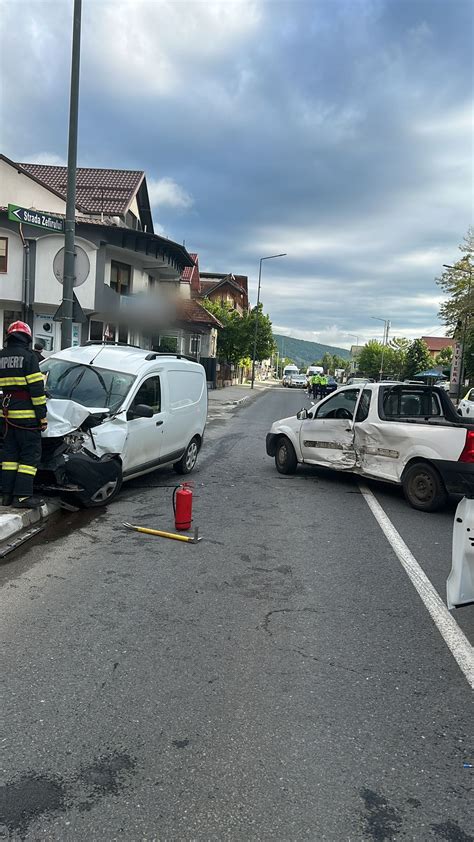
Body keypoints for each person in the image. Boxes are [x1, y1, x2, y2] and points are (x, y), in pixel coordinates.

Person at [0, 321, 47, 508]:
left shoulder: (1, 356)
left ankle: (7, 496)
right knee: (29, 456)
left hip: (5, 416)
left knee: (10, 456)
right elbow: (36, 389)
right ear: (27, 338)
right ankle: (23, 496)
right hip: (27, 418)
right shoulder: (29, 357)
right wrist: (42, 416)